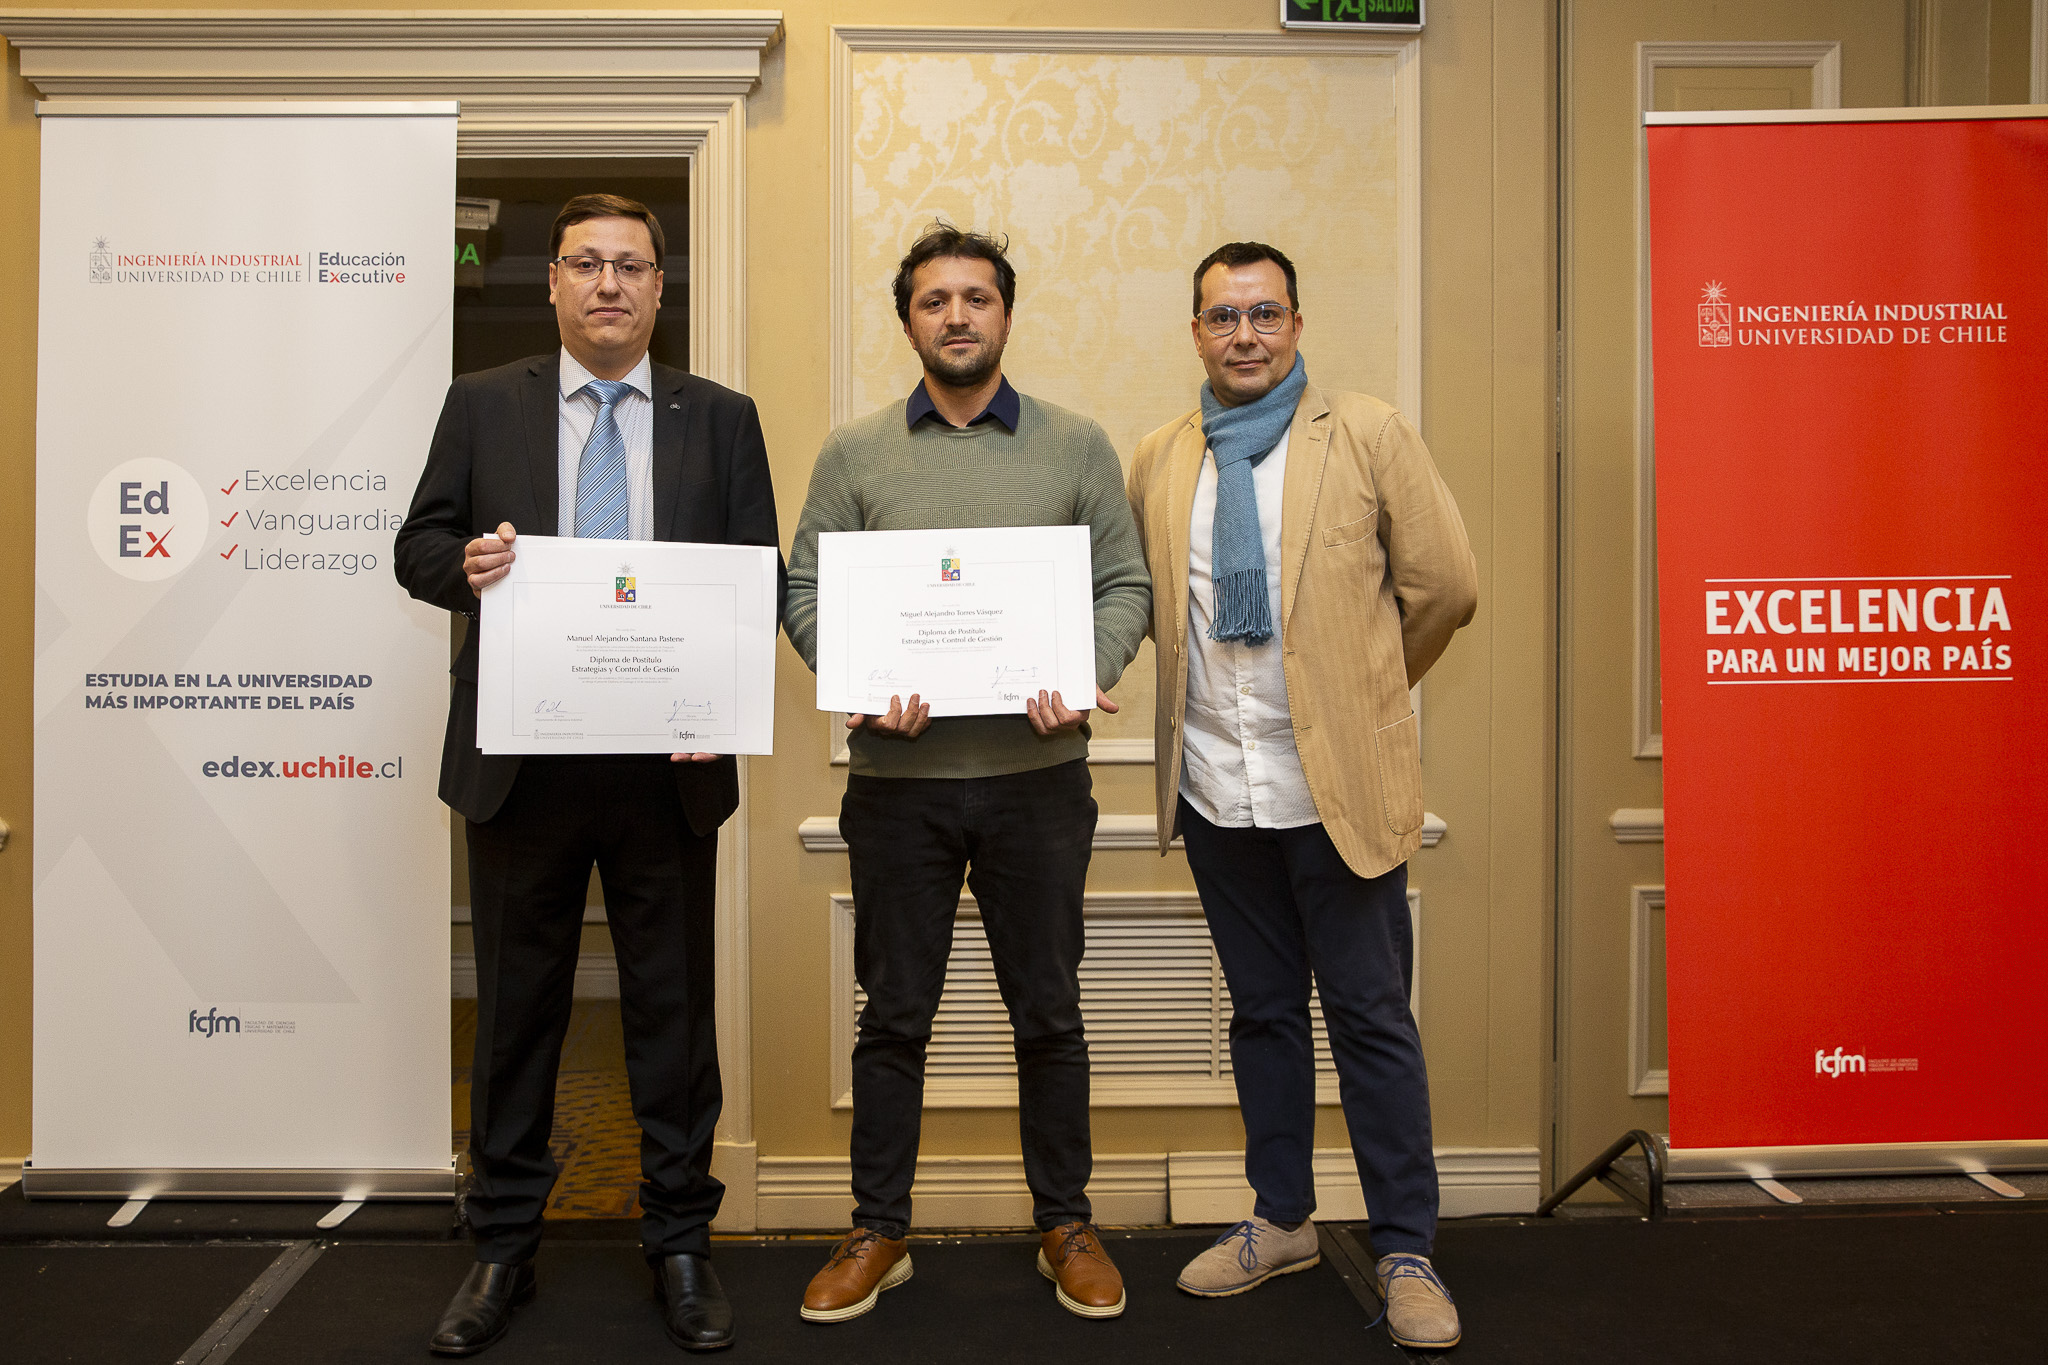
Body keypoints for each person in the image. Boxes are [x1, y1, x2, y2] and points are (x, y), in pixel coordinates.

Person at [394, 193, 779, 1356]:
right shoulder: (481, 403)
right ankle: (503, 1244)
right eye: (585, 264)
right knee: (517, 1015)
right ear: (553, 282)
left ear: (659, 288)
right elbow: (418, 546)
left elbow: (755, 578)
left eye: (630, 266)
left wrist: (717, 688)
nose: (608, 283)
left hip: (668, 763)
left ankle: (680, 1241)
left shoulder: (721, 418)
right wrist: (465, 565)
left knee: (672, 1015)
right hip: (523, 763)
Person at [782, 224, 1151, 1324]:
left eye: (976, 297)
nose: (956, 316)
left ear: (1005, 314)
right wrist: (856, 675)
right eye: (934, 300)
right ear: (907, 322)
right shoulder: (853, 453)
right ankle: (878, 1229)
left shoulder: (1075, 445)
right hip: (897, 788)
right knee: (893, 1017)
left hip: (1039, 781)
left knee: (1050, 1013)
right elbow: (804, 590)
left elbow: (1125, 585)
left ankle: (1065, 1223)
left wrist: (1080, 672)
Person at [1124, 242, 1477, 1351]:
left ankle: (1406, 1249)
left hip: (1338, 792)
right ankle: (1280, 1218)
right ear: (1195, 332)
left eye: (1264, 313)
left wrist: (1361, 695)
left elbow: (1444, 587)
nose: (1245, 334)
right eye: (1223, 316)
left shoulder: (1365, 433)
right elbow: (1134, 598)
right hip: (1216, 790)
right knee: (1262, 1015)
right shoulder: (1159, 458)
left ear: (1296, 324)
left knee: (1370, 1019)